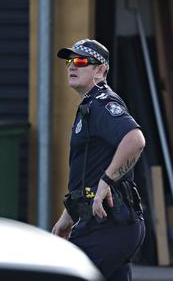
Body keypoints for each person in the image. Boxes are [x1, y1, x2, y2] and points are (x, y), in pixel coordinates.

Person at [51, 38, 146, 281]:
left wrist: (107, 180)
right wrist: (67, 217)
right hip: (107, 224)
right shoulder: (89, 107)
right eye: (70, 61)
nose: (72, 66)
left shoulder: (103, 104)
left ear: (100, 70)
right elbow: (86, 173)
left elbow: (135, 140)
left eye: (81, 61)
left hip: (107, 226)